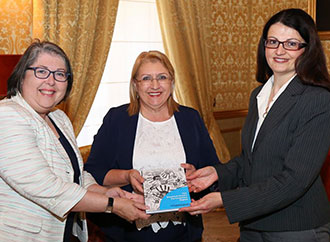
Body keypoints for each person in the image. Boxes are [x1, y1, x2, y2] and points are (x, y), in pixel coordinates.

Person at [180, 8, 330, 242]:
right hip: (253, 224)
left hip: (295, 228)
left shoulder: (318, 99)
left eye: (291, 43)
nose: (279, 51)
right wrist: (215, 174)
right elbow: (250, 159)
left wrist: (224, 200)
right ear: (264, 46)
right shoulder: (258, 94)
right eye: (273, 42)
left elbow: (295, 180)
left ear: (307, 49)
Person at [0, 40, 149, 242]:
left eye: (60, 74)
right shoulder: (7, 116)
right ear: (22, 76)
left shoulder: (58, 118)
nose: (51, 81)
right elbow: (47, 188)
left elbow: (75, 172)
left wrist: (103, 191)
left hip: (62, 233)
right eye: (41, 71)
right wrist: (112, 204)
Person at [84, 50, 220, 242]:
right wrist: (127, 175)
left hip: (184, 232)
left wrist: (196, 174)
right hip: (128, 232)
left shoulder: (190, 118)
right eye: (146, 78)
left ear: (172, 83)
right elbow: (93, 171)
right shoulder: (117, 119)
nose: (154, 85)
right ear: (135, 85)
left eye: (162, 77)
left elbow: (215, 170)